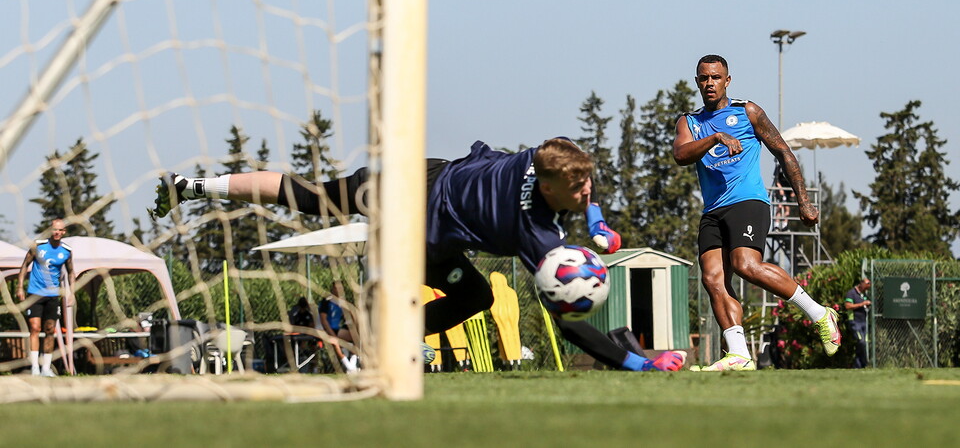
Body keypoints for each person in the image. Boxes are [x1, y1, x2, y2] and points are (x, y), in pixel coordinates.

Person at [151, 137, 686, 372]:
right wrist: (639, 363)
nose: (587, 187)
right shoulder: (532, 233)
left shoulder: (551, 156)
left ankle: (193, 186)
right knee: (471, 293)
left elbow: (581, 183)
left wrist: (595, 222)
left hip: (418, 173)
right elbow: (565, 322)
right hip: (416, 222)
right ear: (547, 189)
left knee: (312, 196)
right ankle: (378, 338)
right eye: (577, 190)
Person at [673, 55, 841, 371]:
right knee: (712, 278)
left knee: (745, 264)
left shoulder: (747, 111)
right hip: (712, 210)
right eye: (704, 78)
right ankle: (739, 354)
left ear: (727, 80)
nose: (709, 83)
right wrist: (715, 138)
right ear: (697, 82)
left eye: (716, 77)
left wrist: (803, 200)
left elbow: (783, 152)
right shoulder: (689, 122)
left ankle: (819, 313)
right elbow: (681, 154)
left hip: (747, 202)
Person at [15, 218, 76, 377]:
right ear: (50, 230)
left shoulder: (66, 251)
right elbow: (24, 266)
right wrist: (20, 286)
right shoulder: (38, 246)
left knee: (50, 330)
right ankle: (35, 367)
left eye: (60, 230)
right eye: (55, 229)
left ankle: (46, 368)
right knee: (35, 328)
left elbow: (71, 272)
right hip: (35, 293)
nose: (57, 232)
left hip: (53, 295)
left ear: (64, 232)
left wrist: (71, 293)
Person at [318, 283, 358, 374]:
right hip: (325, 330)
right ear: (332, 289)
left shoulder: (342, 302)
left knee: (357, 339)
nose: (338, 290)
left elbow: (351, 315)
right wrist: (332, 335)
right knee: (335, 343)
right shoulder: (326, 302)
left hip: (337, 330)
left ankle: (353, 364)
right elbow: (323, 321)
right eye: (336, 288)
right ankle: (349, 367)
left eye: (340, 288)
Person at [844, 278, 872, 368]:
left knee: (865, 343)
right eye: (867, 284)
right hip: (855, 322)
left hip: (864, 321)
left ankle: (859, 365)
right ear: (861, 283)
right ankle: (862, 363)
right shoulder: (851, 293)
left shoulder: (863, 294)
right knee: (861, 341)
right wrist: (862, 304)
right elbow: (848, 306)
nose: (868, 287)